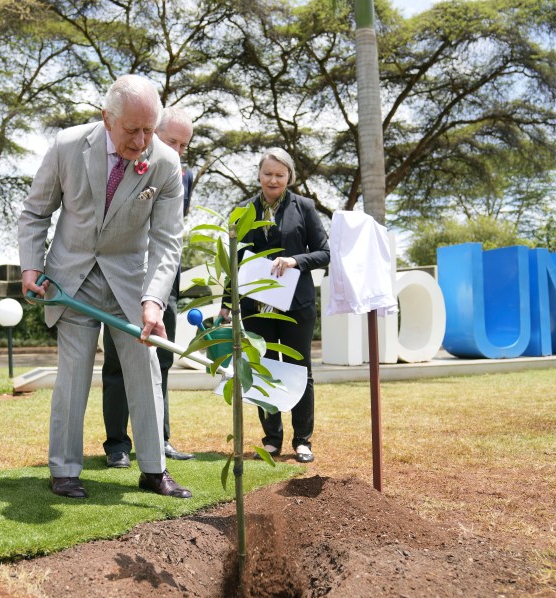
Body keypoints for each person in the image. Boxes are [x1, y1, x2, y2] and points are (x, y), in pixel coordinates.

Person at [19, 74, 192, 500]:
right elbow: (35, 212)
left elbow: (167, 242)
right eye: (132, 130)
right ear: (106, 118)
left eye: (149, 129)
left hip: (131, 283)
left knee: (145, 371)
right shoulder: (67, 146)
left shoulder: (166, 164)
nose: (141, 141)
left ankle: (154, 469)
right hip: (70, 279)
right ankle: (64, 470)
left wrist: (153, 301)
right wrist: (29, 268)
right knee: (73, 375)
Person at [219, 148, 329, 464]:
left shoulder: (304, 208)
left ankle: (302, 441)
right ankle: (271, 439)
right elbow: (234, 260)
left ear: (289, 177)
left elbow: (324, 252)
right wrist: (228, 303)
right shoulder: (242, 211)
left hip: (297, 307)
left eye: (280, 175)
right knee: (264, 368)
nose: (273, 180)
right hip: (256, 306)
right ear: (258, 175)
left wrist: (295, 260)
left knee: (299, 369)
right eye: (268, 173)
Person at [101, 107, 195, 467]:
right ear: (154, 133)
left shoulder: (179, 173)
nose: (177, 150)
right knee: (117, 362)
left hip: (164, 281)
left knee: (163, 360)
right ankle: (117, 446)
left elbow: (170, 235)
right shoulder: (129, 163)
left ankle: (160, 439)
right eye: (172, 141)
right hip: (123, 275)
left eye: (184, 145)